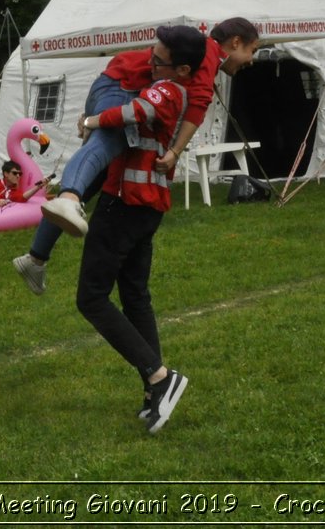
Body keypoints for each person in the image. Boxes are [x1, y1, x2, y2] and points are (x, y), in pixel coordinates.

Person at [14, 17, 262, 294]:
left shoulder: (202, 52)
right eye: (251, 51)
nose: (250, 60)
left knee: (95, 173)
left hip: (113, 81)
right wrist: (175, 152)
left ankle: (36, 257)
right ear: (236, 43)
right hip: (121, 86)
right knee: (103, 147)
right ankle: (69, 198)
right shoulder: (207, 53)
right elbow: (197, 108)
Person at [74, 24, 206, 434]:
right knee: (134, 296)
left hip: (126, 204)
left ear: (182, 69)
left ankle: (159, 376)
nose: (150, 62)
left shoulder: (167, 90)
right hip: (142, 205)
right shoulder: (167, 83)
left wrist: (92, 119)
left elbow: (137, 112)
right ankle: (155, 393)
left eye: (159, 59)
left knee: (91, 298)